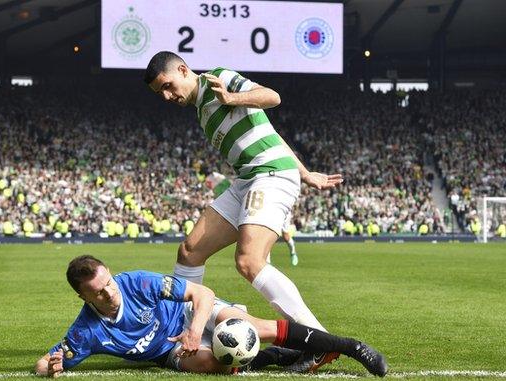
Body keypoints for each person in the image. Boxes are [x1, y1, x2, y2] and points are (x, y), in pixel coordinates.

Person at [144, 51, 343, 369]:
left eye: (168, 86)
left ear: (183, 69)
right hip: (248, 178)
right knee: (190, 251)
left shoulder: (218, 79)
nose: (167, 96)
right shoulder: (201, 112)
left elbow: (272, 97)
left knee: (249, 261)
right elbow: (270, 133)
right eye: (160, 94)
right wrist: (306, 173)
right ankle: (184, 330)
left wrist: (232, 97)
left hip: (269, 173)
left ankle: (319, 340)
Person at [35, 255, 388, 377]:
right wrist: (50, 367)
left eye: (109, 282)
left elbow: (200, 293)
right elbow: (45, 362)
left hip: (191, 313)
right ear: (82, 296)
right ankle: (282, 357)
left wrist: (193, 328)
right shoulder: (87, 331)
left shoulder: (137, 282)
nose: (109, 292)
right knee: (213, 365)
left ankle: (352, 347)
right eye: (98, 291)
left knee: (252, 328)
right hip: (167, 352)